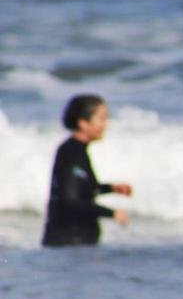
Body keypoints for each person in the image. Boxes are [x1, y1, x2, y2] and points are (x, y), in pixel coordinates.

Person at [42, 94, 132, 247]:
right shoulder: (71, 153)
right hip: (68, 244)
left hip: (72, 244)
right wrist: (112, 213)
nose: (106, 124)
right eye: (102, 119)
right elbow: (70, 199)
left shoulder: (76, 150)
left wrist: (110, 188)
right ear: (83, 123)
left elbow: (81, 189)